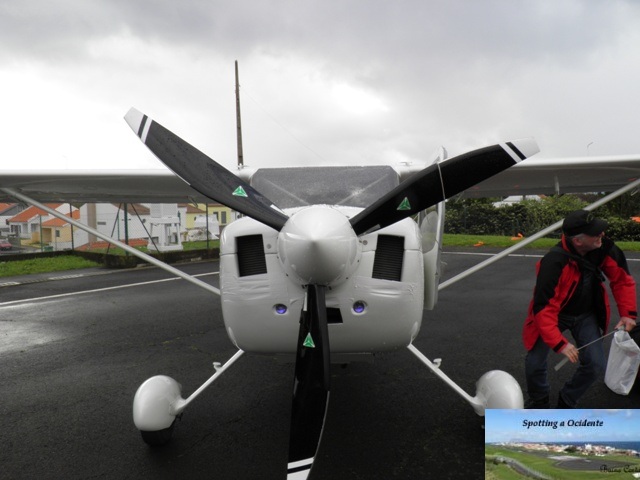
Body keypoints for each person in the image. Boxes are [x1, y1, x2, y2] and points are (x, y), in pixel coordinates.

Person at [523, 209, 637, 408]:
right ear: (578, 241)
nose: (602, 234)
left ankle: (567, 401)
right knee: (534, 363)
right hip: (554, 315)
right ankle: (539, 399)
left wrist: (628, 314)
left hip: (586, 314)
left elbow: (622, 280)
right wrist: (560, 344)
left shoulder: (604, 246)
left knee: (596, 364)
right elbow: (544, 309)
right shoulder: (552, 263)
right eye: (595, 233)